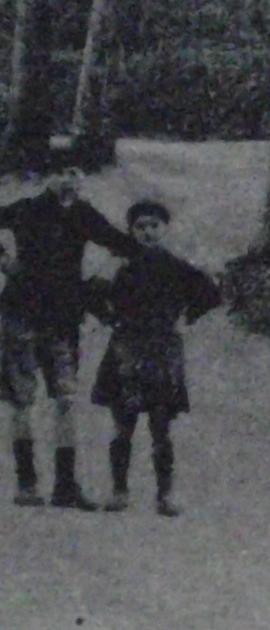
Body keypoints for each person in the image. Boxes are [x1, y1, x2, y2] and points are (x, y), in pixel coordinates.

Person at [0, 163, 137, 509]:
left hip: (63, 318)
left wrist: (102, 278)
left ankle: (65, 486)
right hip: (20, 314)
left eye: (76, 172)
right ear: (46, 177)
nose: (69, 180)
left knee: (66, 398)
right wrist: (4, 263)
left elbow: (123, 244)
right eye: (60, 172)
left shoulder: (84, 214)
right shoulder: (26, 209)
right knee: (22, 400)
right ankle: (27, 484)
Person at [90, 200, 222, 516]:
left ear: (164, 229)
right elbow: (92, 295)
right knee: (123, 423)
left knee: (161, 426)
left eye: (154, 226)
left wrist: (187, 317)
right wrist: (110, 319)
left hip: (163, 350)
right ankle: (119, 491)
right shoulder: (121, 266)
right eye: (140, 226)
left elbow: (211, 293)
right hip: (127, 348)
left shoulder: (176, 266)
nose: (148, 232)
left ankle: (165, 495)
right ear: (131, 231)